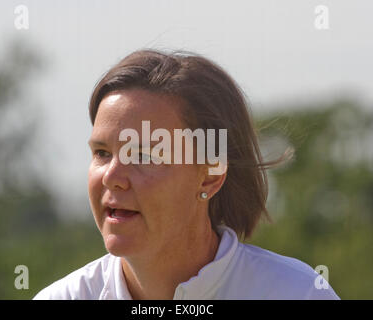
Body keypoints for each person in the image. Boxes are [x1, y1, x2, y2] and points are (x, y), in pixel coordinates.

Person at [33, 49, 340, 300]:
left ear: (210, 175)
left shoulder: (297, 293)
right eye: (102, 153)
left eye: (142, 155)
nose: (112, 176)